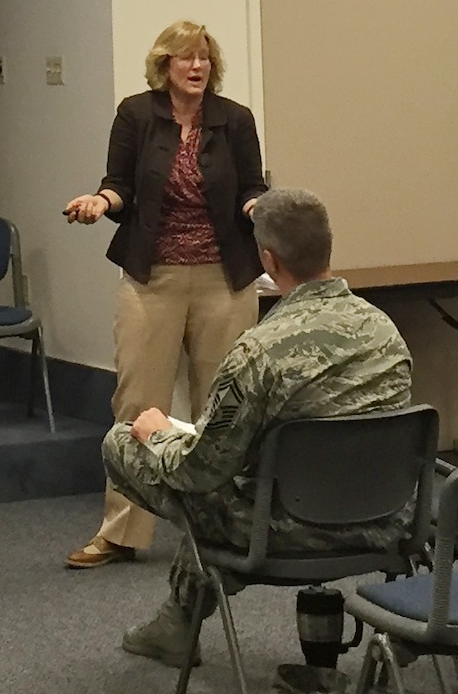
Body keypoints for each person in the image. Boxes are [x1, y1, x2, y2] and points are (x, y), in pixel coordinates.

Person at [103, 188, 413, 665]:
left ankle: (180, 621)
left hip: (284, 531)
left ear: (267, 258)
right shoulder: (384, 331)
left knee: (124, 443)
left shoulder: (258, 351)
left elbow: (199, 471)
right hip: (383, 522)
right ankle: (177, 618)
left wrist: (156, 433)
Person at [61, 21, 269, 569]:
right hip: (151, 278)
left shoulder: (236, 120)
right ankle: (122, 532)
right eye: (185, 58)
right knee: (137, 403)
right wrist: (101, 203)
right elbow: (121, 185)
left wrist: (256, 209)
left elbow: (253, 187)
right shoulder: (137, 114)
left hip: (225, 279)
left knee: (224, 408)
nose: (196, 67)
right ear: (164, 65)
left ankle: (224, 528)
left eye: (204, 57)